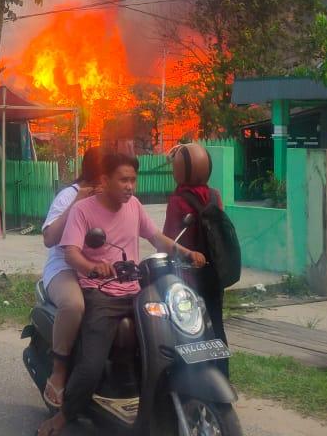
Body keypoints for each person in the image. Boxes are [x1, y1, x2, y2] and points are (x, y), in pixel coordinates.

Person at [37, 152, 207, 436]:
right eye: (124, 180)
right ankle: (64, 415)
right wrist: (92, 268)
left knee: (167, 340)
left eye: (133, 180)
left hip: (136, 292)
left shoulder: (135, 206)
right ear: (105, 180)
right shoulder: (82, 209)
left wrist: (187, 253)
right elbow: (70, 253)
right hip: (101, 294)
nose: (130, 186)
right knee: (90, 366)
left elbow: (155, 238)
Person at [38, 146, 104, 407]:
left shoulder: (111, 198)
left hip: (98, 266)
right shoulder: (69, 195)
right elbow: (49, 238)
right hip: (63, 266)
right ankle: (59, 372)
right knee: (75, 305)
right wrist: (77, 204)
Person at [163, 142, 230, 376]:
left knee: (189, 328)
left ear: (181, 170)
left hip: (188, 274)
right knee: (216, 324)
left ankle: (193, 378)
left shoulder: (177, 201)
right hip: (214, 273)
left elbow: (169, 241)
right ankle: (222, 375)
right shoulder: (215, 195)